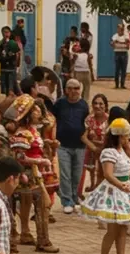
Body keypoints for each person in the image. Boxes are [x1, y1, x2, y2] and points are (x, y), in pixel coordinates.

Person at [79, 117, 130, 254]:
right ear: (118, 136)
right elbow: (107, 174)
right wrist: (120, 185)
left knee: (123, 228)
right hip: (114, 191)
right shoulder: (109, 152)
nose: (127, 139)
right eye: (125, 136)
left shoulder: (122, 151)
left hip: (124, 190)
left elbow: (128, 167)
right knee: (112, 230)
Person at [8, 96, 58, 253]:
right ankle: (41, 240)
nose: (38, 112)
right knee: (42, 205)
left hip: (35, 172)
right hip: (28, 174)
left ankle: (36, 238)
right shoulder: (23, 133)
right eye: (34, 110)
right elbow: (19, 157)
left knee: (42, 206)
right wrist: (39, 162)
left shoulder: (32, 131)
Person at [52, 79, 88, 214]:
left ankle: (74, 198)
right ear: (66, 90)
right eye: (70, 88)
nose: (73, 91)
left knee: (77, 175)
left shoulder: (84, 105)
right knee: (65, 174)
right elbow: (52, 119)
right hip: (63, 145)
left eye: (76, 88)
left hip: (80, 145)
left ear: (80, 89)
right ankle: (67, 201)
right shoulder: (60, 104)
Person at [81, 93, 109, 196]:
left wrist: (102, 147)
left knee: (102, 172)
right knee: (91, 170)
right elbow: (83, 137)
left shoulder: (109, 120)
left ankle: (99, 189)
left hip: (105, 150)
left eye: (101, 104)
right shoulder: (89, 119)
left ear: (105, 106)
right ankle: (93, 185)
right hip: (91, 149)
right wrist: (93, 147)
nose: (98, 106)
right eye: (95, 103)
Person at [0, 26, 20, 96]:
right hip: (3, 68)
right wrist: (2, 58)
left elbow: (17, 54)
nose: (6, 34)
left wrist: (17, 65)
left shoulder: (12, 43)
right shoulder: (0, 44)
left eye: (7, 32)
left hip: (12, 68)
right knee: (5, 87)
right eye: (4, 32)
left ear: (10, 33)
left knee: (13, 87)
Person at [111, 23, 130, 90]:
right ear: (117, 29)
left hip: (124, 54)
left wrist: (118, 43)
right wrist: (115, 43)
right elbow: (112, 45)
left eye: (121, 29)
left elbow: (128, 47)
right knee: (117, 70)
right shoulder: (114, 36)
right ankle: (116, 85)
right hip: (117, 54)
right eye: (119, 28)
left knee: (123, 70)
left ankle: (122, 84)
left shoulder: (126, 36)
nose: (120, 30)